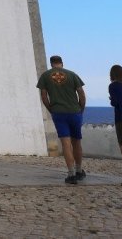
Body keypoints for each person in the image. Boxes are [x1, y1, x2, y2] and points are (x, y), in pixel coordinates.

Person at [37, 55, 86, 184]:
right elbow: (81, 92)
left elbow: (43, 95)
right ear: (62, 63)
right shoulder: (72, 75)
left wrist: (51, 109)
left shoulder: (45, 76)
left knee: (65, 144)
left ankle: (71, 174)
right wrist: (81, 108)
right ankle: (79, 170)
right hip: (74, 112)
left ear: (51, 63)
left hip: (59, 113)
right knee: (77, 142)